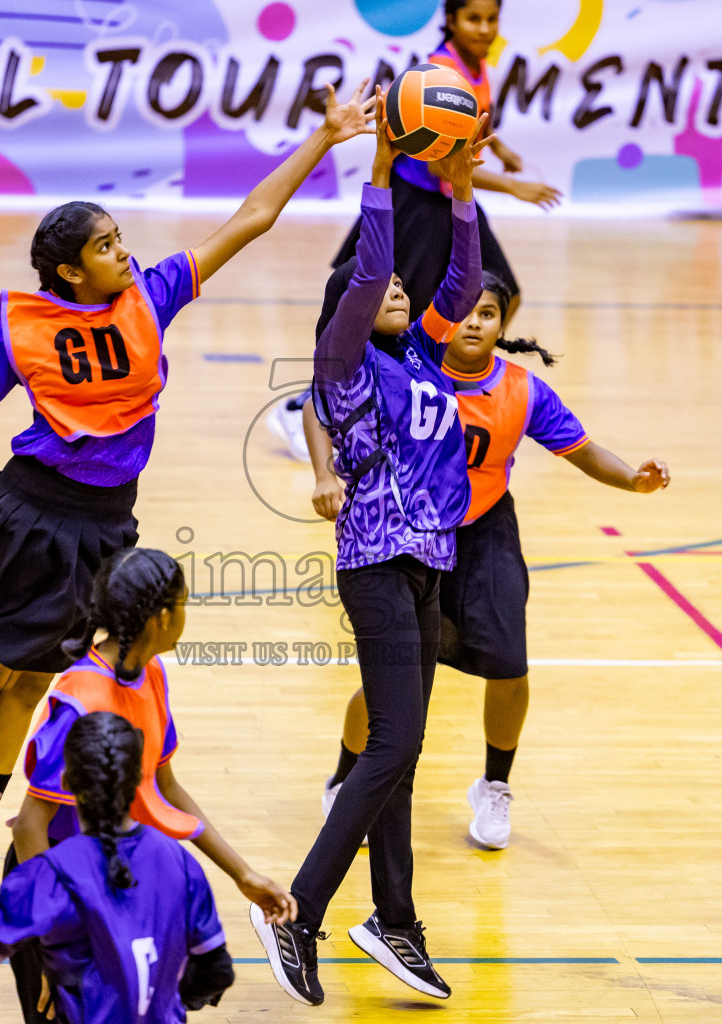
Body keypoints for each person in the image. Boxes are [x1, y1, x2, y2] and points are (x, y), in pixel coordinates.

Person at [0, 83, 375, 927]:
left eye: (122, 239)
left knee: (34, 683)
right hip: (30, 511)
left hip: (106, 522)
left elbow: (251, 218)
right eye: (106, 246)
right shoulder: (22, 328)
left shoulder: (151, 296)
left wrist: (325, 138)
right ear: (66, 270)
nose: (125, 252)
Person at [251, 89, 485, 1007]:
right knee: (392, 744)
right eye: (382, 288)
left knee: (403, 749)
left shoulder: (423, 357)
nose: (396, 290)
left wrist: (462, 193)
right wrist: (384, 167)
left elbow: (462, 290)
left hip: (427, 566)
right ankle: (299, 916)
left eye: (399, 290)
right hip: (377, 562)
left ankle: (397, 922)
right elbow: (368, 271)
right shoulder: (345, 361)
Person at [304, 272, 669, 851]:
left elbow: (581, 449)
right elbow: (319, 404)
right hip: (413, 534)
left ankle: (494, 785)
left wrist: (632, 480)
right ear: (446, 315)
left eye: (490, 314)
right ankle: (345, 779)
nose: (475, 322)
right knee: (395, 688)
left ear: (504, 326)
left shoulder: (521, 390)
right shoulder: (408, 364)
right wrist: (323, 474)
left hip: (486, 532)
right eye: (467, 310)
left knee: (509, 663)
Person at [5, 548, 294, 1023]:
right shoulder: (80, 699)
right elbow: (29, 827)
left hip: (119, 879)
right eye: (183, 604)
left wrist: (241, 873)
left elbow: (165, 788)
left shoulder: (151, 674)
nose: (185, 614)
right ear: (161, 618)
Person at [269, 0, 560, 463]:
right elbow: (447, 163)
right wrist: (512, 185)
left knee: (496, 297)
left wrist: (499, 148)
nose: (483, 28)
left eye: (491, 19)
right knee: (382, 319)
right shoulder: (441, 70)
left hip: (446, 199)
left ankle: (434, 400)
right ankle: (307, 406)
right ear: (449, 20)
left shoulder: (476, 64)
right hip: (417, 204)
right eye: (473, 19)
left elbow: (470, 124)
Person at [0, 711, 237, 1024]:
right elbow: (217, 973)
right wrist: (162, 1000)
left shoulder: (52, 873)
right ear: (140, 778)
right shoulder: (180, 862)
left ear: (65, 782)